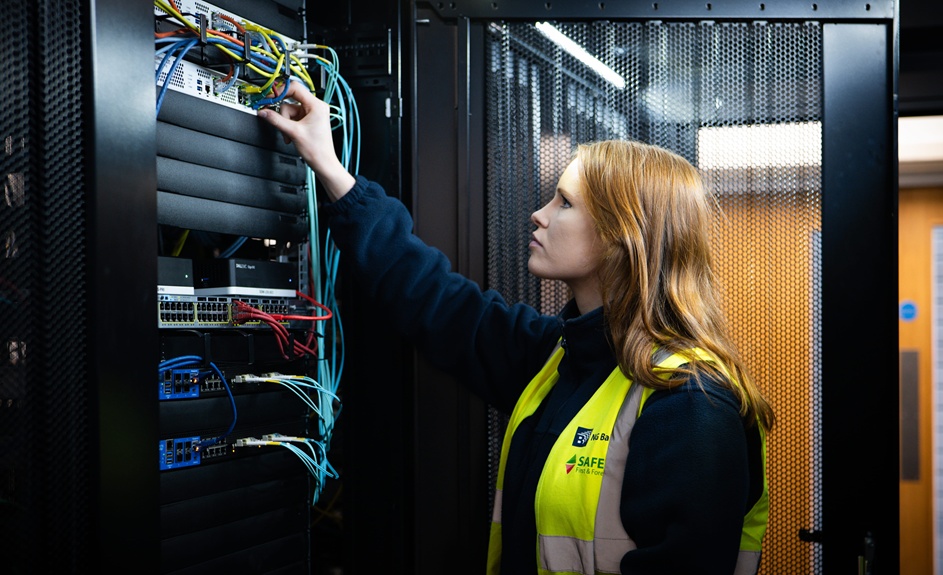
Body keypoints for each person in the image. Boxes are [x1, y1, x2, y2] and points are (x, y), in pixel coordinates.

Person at [258, 81, 775, 575]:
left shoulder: (689, 405)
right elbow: (436, 299)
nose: (537, 214)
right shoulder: (564, 358)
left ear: (624, 240)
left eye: (565, 203)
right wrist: (330, 170)